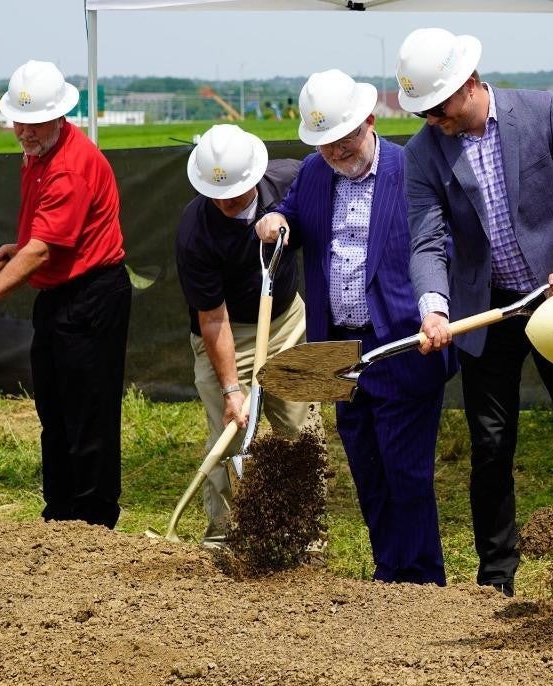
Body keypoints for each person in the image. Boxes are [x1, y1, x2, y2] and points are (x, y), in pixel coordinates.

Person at [397, 27, 553, 605]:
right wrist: (434, 305)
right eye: (422, 110)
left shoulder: (543, 112)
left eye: (438, 106)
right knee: (492, 443)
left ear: (469, 83)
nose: (432, 119)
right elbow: (426, 240)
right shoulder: (424, 151)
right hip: (488, 311)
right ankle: (496, 577)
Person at [254, 70, 455, 584]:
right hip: (338, 350)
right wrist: (276, 222)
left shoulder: (410, 169)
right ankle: (389, 571)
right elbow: (289, 214)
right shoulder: (314, 173)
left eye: (342, 144)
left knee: (406, 470)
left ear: (369, 120)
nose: (335, 156)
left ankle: (422, 580)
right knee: (367, 467)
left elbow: (441, 246)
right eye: (324, 147)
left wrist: (437, 310)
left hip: (403, 342)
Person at [0, 60, 129, 528]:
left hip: (92, 297)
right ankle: (59, 516)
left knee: (89, 413)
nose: (24, 131)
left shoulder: (70, 167)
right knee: (55, 409)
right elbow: (40, 241)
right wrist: (18, 247)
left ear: (60, 116)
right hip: (60, 298)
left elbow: (43, 252)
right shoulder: (38, 154)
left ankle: (94, 521)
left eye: (35, 122)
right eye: (19, 122)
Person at [175, 123, 312, 546]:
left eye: (234, 191)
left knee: (298, 427)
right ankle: (225, 535)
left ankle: (303, 534)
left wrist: (284, 217)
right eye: (216, 193)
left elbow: (325, 182)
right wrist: (234, 389)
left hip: (285, 318)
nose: (225, 201)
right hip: (228, 329)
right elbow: (212, 320)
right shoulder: (195, 229)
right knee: (230, 429)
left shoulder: (289, 179)